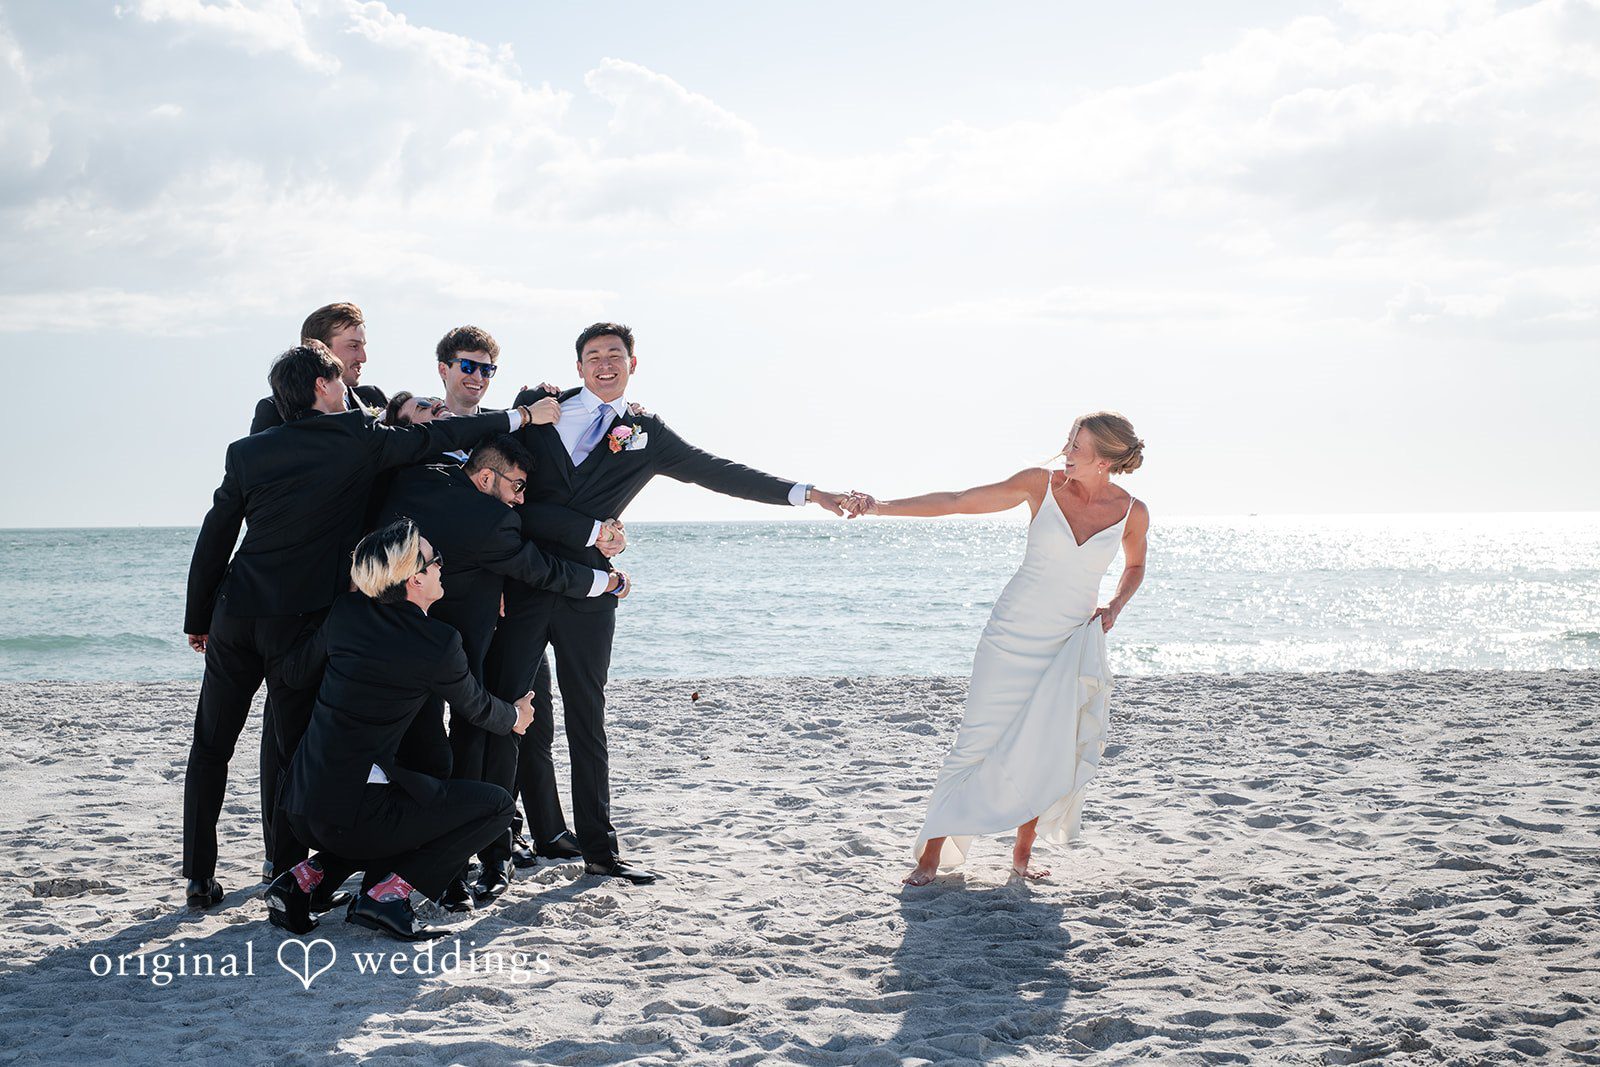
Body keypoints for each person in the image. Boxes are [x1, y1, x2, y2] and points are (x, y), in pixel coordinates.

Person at [182, 341, 553, 909]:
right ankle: (287, 870)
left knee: (211, 744)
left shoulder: (247, 452)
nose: (347, 389)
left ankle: (199, 876)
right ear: (323, 388)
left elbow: (216, 537)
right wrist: (519, 417)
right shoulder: (354, 434)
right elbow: (437, 438)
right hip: (298, 620)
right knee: (290, 746)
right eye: (339, 380)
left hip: (236, 612)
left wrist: (199, 615)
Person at [488, 322, 850, 885]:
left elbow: (717, 472)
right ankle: (493, 853)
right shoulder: (542, 412)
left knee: (588, 718)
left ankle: (600, 851)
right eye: (592, 356)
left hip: (591, 592)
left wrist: (806, 493)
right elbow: (507, 505)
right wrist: (592, 528)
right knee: (507, 712)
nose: (604, 363)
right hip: (528, 584)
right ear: (578, 367)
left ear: (633, 363)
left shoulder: (646, 432)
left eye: (614, 354)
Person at [843, 412, 1150, 886]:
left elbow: (1135, 567)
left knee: (1045, 744)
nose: (1066, 451)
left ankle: (1022, 857)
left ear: (1106, 459)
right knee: (974, 742)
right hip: (1010, 636)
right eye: (1068, 441)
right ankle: (931, 856)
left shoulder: (1133, 511)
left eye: (1077, 446)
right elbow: (958, 501)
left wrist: (1115, 605)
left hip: (1067, 640)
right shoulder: (1039, 486)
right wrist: (878, 505)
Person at [377, 435, 629, 907]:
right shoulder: (494, 520)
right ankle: (474, 862)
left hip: (396, 640)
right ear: (488, 477)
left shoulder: (417, 479)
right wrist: (607, 581)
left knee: (424, 752)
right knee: (470, 744)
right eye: (517, 486)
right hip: (457, 652)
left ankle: (440, 863)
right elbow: (543, 570)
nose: (520, 498)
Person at [265, 520, 535, 941]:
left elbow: (296, 673)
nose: (443, 566)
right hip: (354, 815)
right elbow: (476, 707)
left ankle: (302, 879)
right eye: (435, 560)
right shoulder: (437, 642)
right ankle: (389, 896)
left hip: (301, 804)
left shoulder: (345, 613)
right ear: (415, 578)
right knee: (495, 807)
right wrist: (516, 718)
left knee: (409, 804)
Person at [250, 303, 386, 433]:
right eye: (353, 346)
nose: (363, 358)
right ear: (319, 350)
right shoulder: (274, 409)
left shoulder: (373, 396)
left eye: (363, 347)